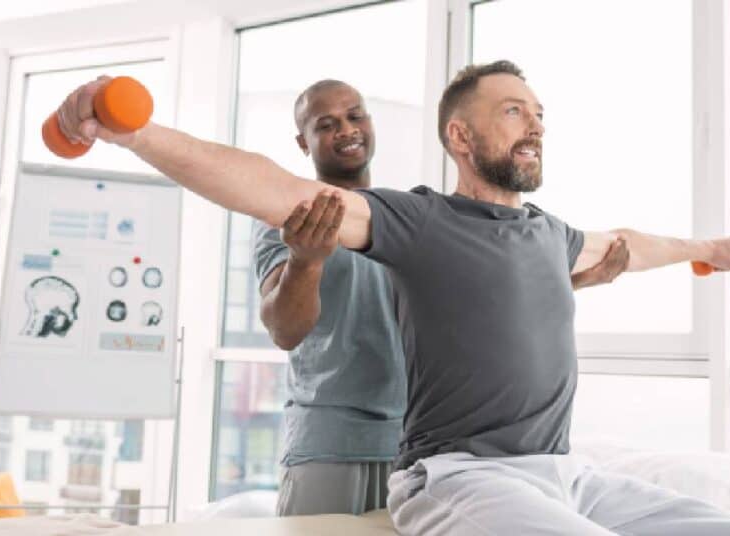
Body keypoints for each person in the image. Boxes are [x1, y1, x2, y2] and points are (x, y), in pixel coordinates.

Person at [55, 60, 730, 534]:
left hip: (560, 470)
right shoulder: (415, 219)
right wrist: (132, 130)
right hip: (437, 466)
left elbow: (628, 243)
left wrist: (707, 252)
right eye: (514, 112)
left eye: (539, 112)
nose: (537, 124)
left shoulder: (549, 236)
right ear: (460, 136)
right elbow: (268, 188)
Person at [254, 79, 629, 516]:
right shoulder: (286, 220)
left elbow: (472, 305)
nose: (346, 130)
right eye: (327, 124)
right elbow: (284, 329)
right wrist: (306, 260)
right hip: (331, 443)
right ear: (304, 142)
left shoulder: (407, 219)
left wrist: (571, 283)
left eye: (355, 116)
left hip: (421, 448)